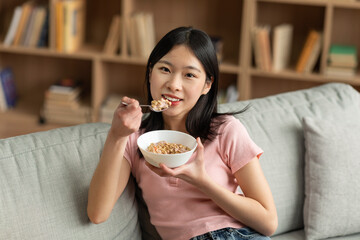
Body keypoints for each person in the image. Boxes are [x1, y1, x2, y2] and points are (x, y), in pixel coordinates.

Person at [87, 26, 278, 240]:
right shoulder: (135, 139)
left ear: (207, 85)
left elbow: (269, 223)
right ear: (151, 72)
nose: (173, 85)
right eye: (165, 70)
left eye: (189, 75)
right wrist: (116, 135)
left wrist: (202, 182)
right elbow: (97, 213)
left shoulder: (227, 130)